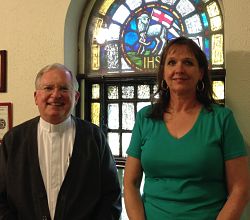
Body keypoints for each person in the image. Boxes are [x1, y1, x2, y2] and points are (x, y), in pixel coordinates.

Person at [124, 37, 249, 220]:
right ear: (163, 73)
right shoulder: (145, 118)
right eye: (172, 63)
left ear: (200, 73)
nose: (179, 69)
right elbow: (130, 183)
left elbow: (240, 188)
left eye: (188, 63)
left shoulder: (222, 119)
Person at [0, 63, 122, 220]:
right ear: (36, 97)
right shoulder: (13, 140)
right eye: (48, 88)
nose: (56, 95)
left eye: (64, 88)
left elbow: (111, 196)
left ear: (76, 97)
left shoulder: (94, 137)